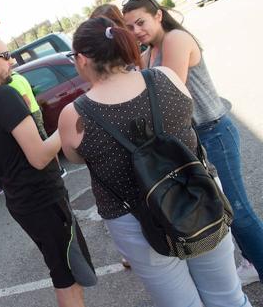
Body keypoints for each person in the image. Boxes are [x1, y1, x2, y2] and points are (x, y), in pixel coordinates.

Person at [58, 17, 250, 307]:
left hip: (134, 218)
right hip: (198, 194)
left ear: (82, 59)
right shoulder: (165, 77)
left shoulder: (75, 114)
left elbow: (74, 156)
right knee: (228, 296)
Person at [122, 0, 263, 285]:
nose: (136, 31)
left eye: (140, 22)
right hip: (193, 140)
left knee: (239, 212)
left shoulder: (175, 39)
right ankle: (252, 260)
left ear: (158, 15)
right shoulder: (148, 54)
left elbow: (167, 93)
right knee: (223, 209)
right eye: (130, 27)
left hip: (214, 133)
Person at [0, 33, 96, 307]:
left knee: (62, 269)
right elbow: (38, 156)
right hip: (42, 199)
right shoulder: (2, 96)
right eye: (5, 56)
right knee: (68, 274)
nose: (11, 61)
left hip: (23, 199)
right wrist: (68, 124)